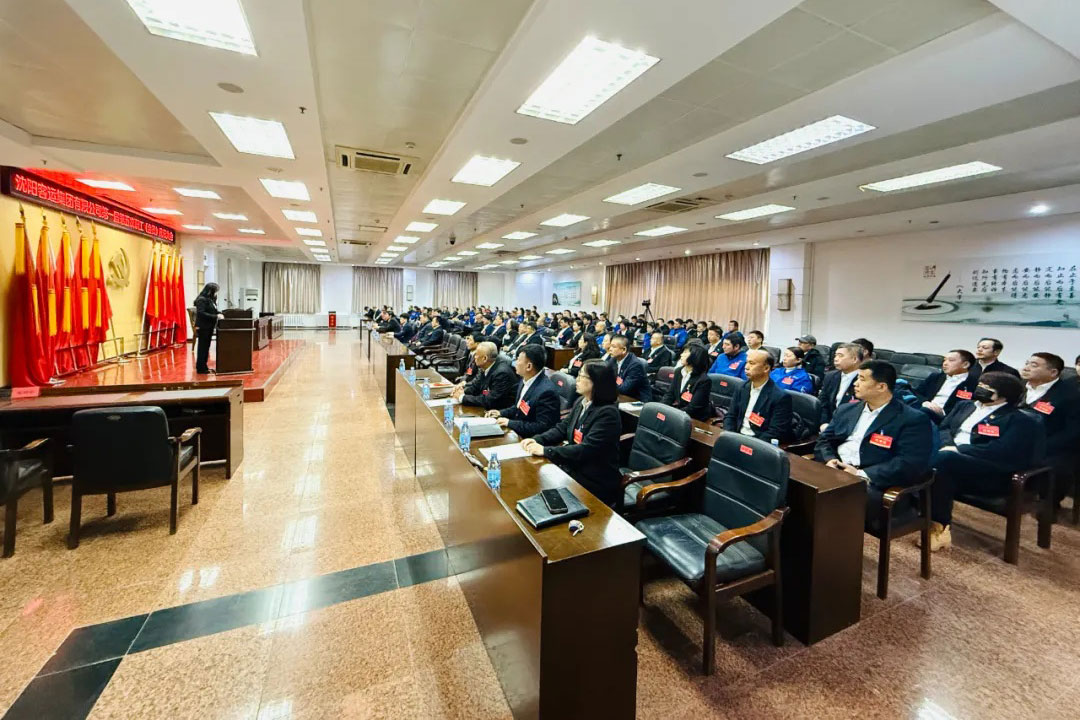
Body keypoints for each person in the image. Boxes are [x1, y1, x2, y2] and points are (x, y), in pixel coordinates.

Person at [815, 360, 934, 532]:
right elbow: (824, 440)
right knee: (796, 488)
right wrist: (829, 459)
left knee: (829, 504)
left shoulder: (911, 419)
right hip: (835, 470)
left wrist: (861, 474)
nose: (855, 383)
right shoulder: (847, 410)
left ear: (881, 387)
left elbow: (909, 463)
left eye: (862, 379)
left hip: (875, 484)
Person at [928, 372, 1036, 550]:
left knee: (943, 461)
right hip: (948, 457)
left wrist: (959, 450)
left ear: (1003, 395)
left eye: (987, 388)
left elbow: (1001, 450)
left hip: (986, 470)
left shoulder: (1018, 420)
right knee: (931, 458)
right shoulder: (965, 405)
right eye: (980, 385)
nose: (980, 389)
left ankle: (939, 528)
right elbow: (944, 428)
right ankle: (923, 517)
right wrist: (948, 445)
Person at [523, 359, 623, 507]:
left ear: (596, 382)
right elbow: (562, 428)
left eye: (581, 376)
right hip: (574, 468)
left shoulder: (608, 414)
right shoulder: (582, 401)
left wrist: (545, 451)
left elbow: (586, 449)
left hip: (594, 479)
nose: (577, 379)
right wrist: (538, 439)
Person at [1019, 352, 1080, 502]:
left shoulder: (1071, 395)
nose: (1026, 368)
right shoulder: (1018, 386)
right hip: (1017, 437)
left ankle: (1049, 505)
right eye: (1027, 363)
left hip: (1052, 445)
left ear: (1053, 373)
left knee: (1057, 466)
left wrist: (1040, 445)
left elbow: (1072, 432)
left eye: (1034, 365)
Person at [486, 344, 561, 438]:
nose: (515, 363)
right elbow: (518, 407)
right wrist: (501, 413)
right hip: (519, 430)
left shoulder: (546, 393)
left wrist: (510, 423)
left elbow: (542, 427)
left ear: (529, 366)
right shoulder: (524, 379)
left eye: (518, 360)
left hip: (531, 439)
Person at [724, 349, 793, 443]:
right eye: (747, 362)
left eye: (752, 363)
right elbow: (730, 416)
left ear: (766, 368)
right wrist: (730, 437)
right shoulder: (741, 387)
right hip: (737, 437)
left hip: (759, 442)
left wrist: (753, 445)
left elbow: (776, 431)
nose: (746, 367)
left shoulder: (780, 397)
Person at [452, 341, 519, 410]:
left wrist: (462, 398)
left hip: (499, 411)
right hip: (488, 407)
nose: (474, 357)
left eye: (476, 354)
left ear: (485, 358)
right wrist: (462, 391)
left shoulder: (501, 373)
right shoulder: (486, 365)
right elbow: (475, 386)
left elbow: (490, 400)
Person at [915, 349, 979, 420]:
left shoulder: (974, 384)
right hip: (924, 409)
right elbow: (917, 393)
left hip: (947, 418)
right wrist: (925, 402)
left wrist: (943, 412)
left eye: (951, 360)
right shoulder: (935, 377)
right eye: (944, 360)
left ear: (965, 365)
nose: (945, 363)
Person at [818, 343, 865, 429]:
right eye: (835, 355)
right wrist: (824, 423)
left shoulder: (865, 380)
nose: (835, 359)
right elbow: (823, 402)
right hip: (827, 424)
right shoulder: (830, 376)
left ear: (854, 359)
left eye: (840, 356)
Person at [662, 343, 713, 421]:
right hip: (679, 412)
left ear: (695, 357)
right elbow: (670, 394)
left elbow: (693, 407)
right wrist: (661, 408)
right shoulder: (678, 371)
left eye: (685, 352)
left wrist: (672, 414)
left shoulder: (704, 380)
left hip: (695, 418)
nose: (681, 355)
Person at [608, 335, 652, 401]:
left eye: (613, 347)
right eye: (610, 346)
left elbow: (624, 389)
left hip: (637, 400)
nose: (610, 349)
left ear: (624, 350)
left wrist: (608, 383)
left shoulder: (635, 365)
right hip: (620, 396)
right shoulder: (613, 360)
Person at [193, 282, 223, 374]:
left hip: (208, 326)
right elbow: (201, 313)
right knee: (202, 348)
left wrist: (219, 313)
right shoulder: (201, 300)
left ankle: (204, 366)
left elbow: (213, 310)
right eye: (215, 291)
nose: (216, 293)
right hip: (203, 327)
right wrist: (215, 316)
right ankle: (201, 368)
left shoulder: (210, 299)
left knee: (206, 347)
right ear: (210, 291)